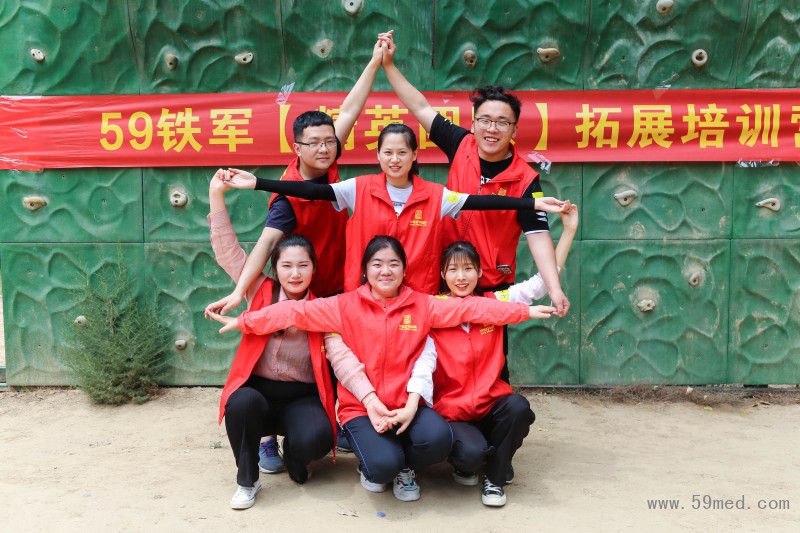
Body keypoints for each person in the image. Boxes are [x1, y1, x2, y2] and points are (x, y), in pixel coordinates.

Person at [206, 235, 556, 503]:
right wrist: (245, 321)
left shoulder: (423, 305)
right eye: (377, 264)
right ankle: (384, 461)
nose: (385, 271)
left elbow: (472, 309)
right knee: (381, 467)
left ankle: (407, 466)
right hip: (362, 406)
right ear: (365, 270)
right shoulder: (342, 306)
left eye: (393, 264)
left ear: (404, 269)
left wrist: (523, 312)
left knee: (438, 440)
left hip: (408, 404)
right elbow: (291, 312)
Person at [207, 34, 391, 460]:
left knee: (342, 357)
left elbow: (350, 109)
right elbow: (266, 243)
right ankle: (266, 435)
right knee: (284, 361)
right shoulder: (287, 198)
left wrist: (374, 63)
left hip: (338, 284)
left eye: (330, 141)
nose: (325, 148)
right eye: (315, 143)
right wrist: (239, 291)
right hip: (303, 289)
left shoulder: (328, 158)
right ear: (297, 148)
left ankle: (337, 423)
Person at [378, 30, 570, 382]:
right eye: (485, 120)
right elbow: (419, 106)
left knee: (491, 369)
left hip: (491, 283)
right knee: (434, 363)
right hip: (443, 275)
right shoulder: (460, 144)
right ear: (473, 122)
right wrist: (388, 65)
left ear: (514, 130)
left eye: (502, 122)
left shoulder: (526, 180)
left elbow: (539, 237)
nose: (492, 129)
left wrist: (554, 288)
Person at [208, 174, 387, 510]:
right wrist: (216, 195)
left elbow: (342, 359)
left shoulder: (323, 309)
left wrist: (370, 398)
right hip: (259, 392)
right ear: (274, 268)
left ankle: (293, 456)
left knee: (319, 436)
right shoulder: (259, 291)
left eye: (303, 265)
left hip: (301, 397)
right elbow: (227, 250)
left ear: (313, 270)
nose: (295, 273)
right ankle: (248, 479)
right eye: (286, 266)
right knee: (241, 403)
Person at [221, 123, 569, 295]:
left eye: (403, 152)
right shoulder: (357, 188)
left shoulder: (436, 195)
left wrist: (532, 202)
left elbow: (483, 202)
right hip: (363, 295)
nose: (395, 159)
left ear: (415, 155)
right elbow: (310, 189)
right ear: (378, 156)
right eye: (387, 152)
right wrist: (258, 183)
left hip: (417, 298)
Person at [431, 205, 578, 507]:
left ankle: (495, 479)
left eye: (468, 269)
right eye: (453, 270)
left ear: (479, 272)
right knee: (470, 456)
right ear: (443, 274)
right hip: (453, 412)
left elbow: (541, 283)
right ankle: (472, 460)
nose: (461, 277)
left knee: (517, 407)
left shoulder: (496, 300)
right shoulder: (433, 308)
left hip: (490, 406)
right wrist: (523, 313)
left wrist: (569, 231)